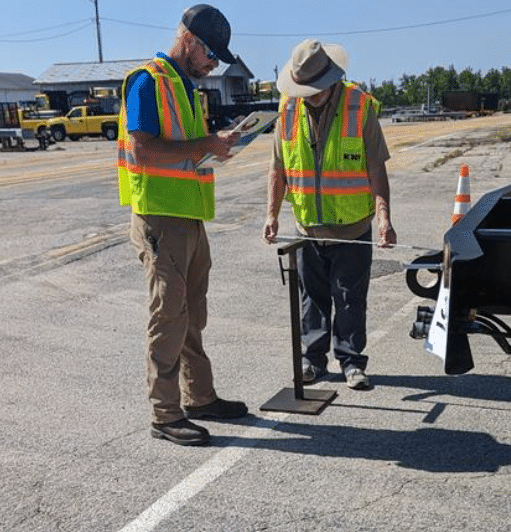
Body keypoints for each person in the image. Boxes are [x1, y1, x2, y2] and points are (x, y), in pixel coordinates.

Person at [118, 4, 247, 447]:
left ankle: (200, 397)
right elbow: (143, 152)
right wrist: (205, 144)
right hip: (160, 217)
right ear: (189, 40)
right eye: (211, 53)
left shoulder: (185, 88)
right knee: (169, 315)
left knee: (193, 311)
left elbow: (186, 151)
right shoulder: (148, 81)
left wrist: (216, 146)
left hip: (188, 216)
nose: (213, 63)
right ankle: (165, 414)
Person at [263, 39, 397, 390]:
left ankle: (351, 362)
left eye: (315, 90)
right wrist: (272, 214)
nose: (308, 96)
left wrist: (383, 218)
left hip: (352, 227)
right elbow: (278, 169)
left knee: (350, 299)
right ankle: (313, 360)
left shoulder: (360, 107)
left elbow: (376, 167)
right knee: (312, 299)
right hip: (308, 226)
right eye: (302, 89)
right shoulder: (287, 109)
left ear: (331, 80)